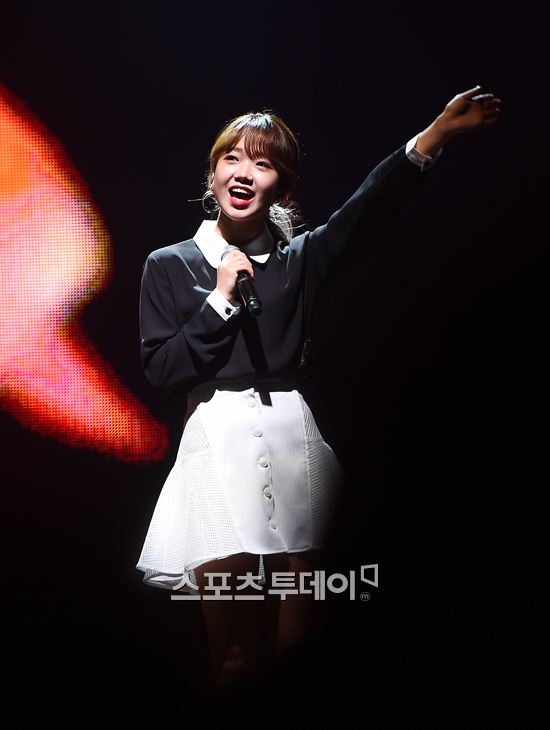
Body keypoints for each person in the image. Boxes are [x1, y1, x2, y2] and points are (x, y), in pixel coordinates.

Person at [136, 86, 501, 688]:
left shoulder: (298, 259)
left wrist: (435, 135)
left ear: (283, 185)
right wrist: (220, 301)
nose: (244, 172)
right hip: (216, 450)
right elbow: (162, 369)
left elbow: (367, 211)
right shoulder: (169, 265)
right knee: (233, 654)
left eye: (263, 163)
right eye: (232, 158)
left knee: (299, 642)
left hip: (292, 447)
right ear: (212, 172)